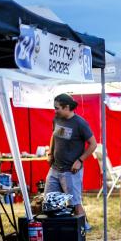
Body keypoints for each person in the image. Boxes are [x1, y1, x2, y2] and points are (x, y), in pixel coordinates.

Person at [45, 93, 97, 224]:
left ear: (67, 107)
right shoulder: (56, 119)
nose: (55, 110)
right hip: (55, 169)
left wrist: (80, 160)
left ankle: (83, 228)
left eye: (57, 108)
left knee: (74, 204)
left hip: (71, 171)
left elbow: (93, 144)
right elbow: (54, 135)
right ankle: (60, 231)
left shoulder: (80, 123)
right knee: (50, 202)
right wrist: (50, 153)